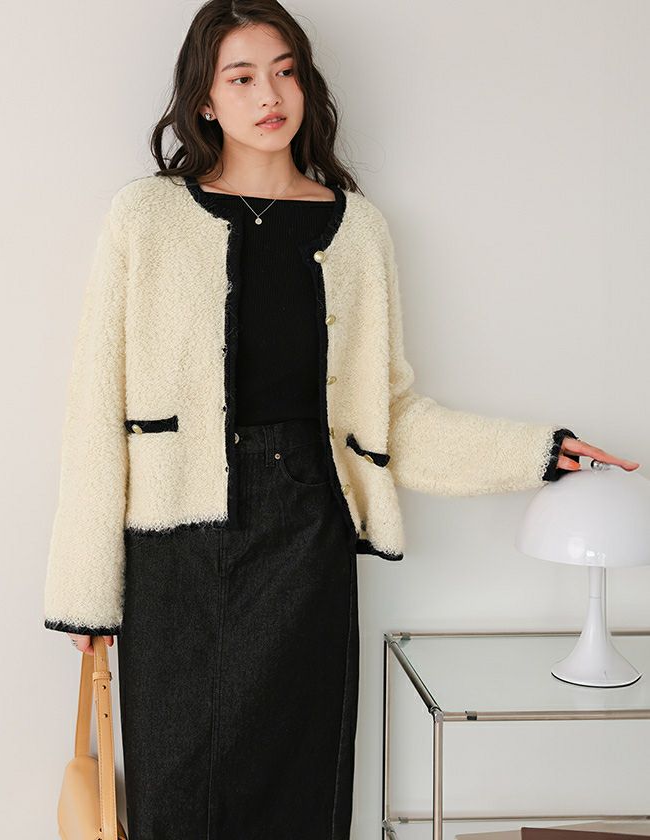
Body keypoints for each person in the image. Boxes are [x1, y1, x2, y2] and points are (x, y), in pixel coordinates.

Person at [43, 2, 640, 838]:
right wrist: (85, 595)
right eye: (241, 78)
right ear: (205, 100)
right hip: (173, 549)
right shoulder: (146, 217)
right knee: (176, 792)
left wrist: (538, 452)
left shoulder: (356, 229)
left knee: (301, 790)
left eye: (285, 71)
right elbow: (94, 407)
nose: (269, 95)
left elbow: (388, 419)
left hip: (305, 534)